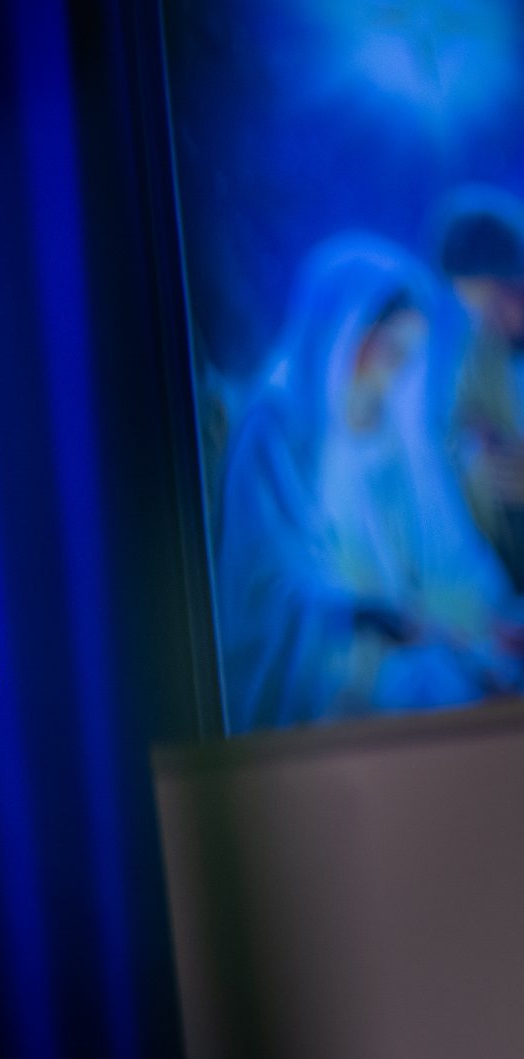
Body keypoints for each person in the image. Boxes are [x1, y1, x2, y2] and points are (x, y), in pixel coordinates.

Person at [216, 233, 523, 734]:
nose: (396, 372)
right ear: (346, 331)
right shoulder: (280, 424)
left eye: (409, 356)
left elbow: (440, 554)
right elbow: (269, 586)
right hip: (324, 673)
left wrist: (489, 619)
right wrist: (368, 616)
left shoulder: (395, 435)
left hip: (400, 656)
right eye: (390, 350)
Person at [436, 184, 524, 591]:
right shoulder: (481, 351)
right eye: (478, 309)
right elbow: (460, 422)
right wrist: (476, 441)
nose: (492, 321)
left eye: (501, 300)